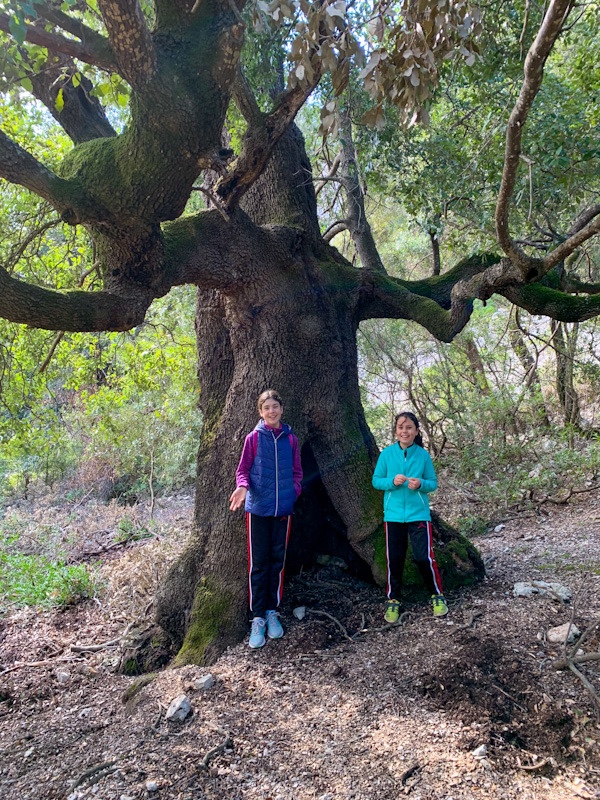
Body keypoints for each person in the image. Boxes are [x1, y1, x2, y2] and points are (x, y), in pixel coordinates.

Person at [229, 389, 303, 649]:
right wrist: (242, 487)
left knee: (277, 562)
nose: (271, 411)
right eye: (266, 408)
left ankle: (273, 611)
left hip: (283, 510)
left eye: (275, 406)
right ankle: (257, 617)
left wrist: (293, 493)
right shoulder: (253, 438)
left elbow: (297, 471)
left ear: (281, 409)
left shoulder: (290, 438)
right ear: (261, 412)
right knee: (258, 565)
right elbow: (243, 470)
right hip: (258, 510)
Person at [372, 411, 448, 621]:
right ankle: (393, 600)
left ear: (416, 431)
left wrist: (421, 484)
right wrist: (391, 482)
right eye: (400, 427)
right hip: (393, 516)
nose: (404, 431)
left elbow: (433, 483)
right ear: (395, 431)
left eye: (409, 428)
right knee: (394, 559)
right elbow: (376, 481)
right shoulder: (387, 454)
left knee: (423, 557)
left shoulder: (422, 455)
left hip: (419, 515)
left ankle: (437, 595)